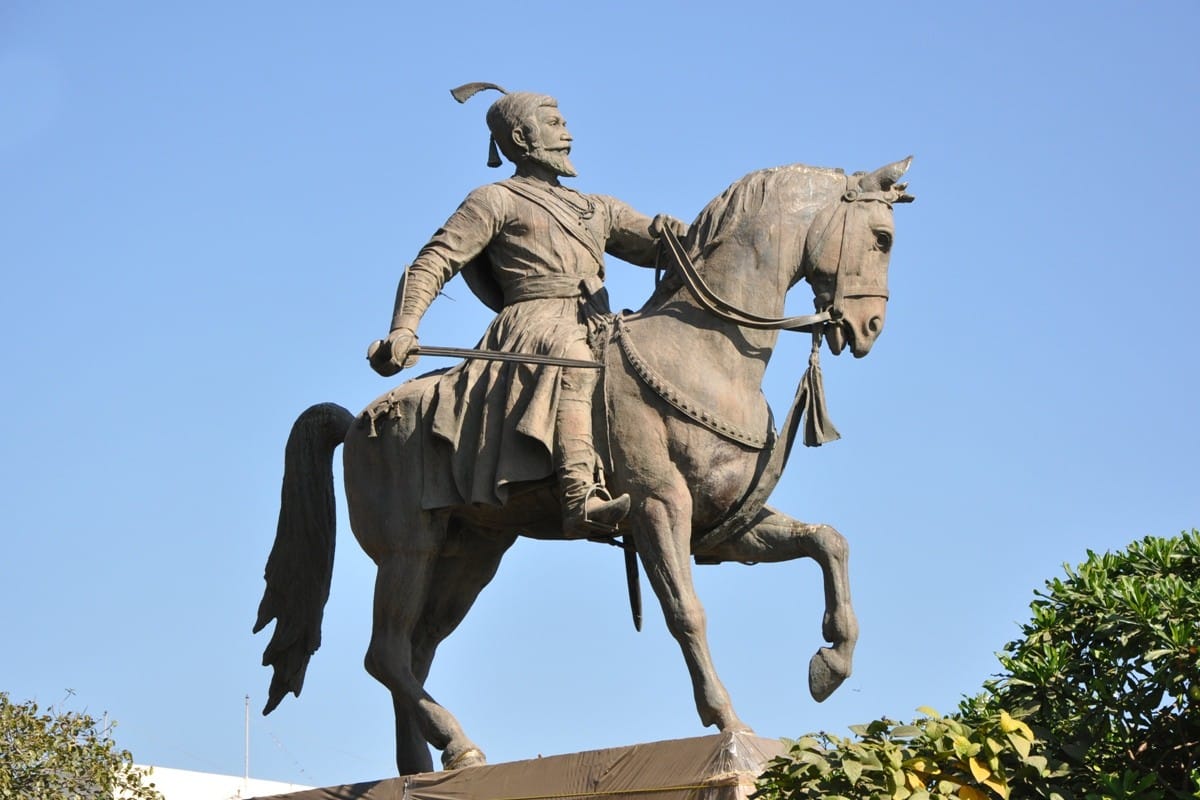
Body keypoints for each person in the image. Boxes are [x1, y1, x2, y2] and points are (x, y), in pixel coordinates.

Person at [368, 84, 686, 536]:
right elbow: (434, 261)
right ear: (521, 138)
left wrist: (674, 234)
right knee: (577, 361)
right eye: (555, 125)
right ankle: (579, 495)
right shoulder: (495, 199)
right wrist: (404, 327)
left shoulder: (596, 207)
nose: (568, 135)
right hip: (535, 323)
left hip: (597, 318)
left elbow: (655, 243)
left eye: (565, 124)